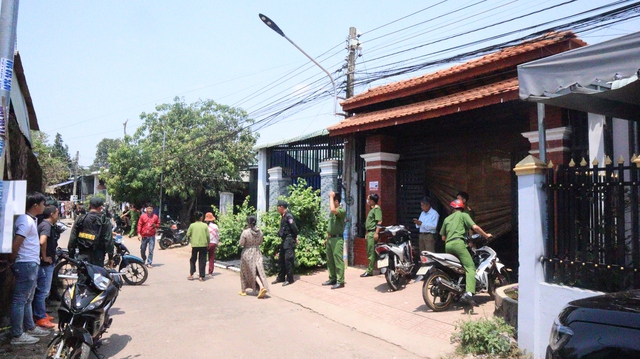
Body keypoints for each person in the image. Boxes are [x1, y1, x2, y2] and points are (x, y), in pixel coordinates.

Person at [9, 192, 51, 345]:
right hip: (25, 263)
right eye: (42, 204)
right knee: (20, 299)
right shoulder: (25, 221)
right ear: (35, 205)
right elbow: (18, 241)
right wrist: (12, 259)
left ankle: (29, 327)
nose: (44, 207)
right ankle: (17, 335)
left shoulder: (30, 220)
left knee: (28, 299)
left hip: (30, 263)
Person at [440, 199, 492, 306]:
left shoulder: (446, 219)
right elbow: (475, 227)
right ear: (461, 208)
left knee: (456, 268)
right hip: (458, 244)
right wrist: (486, 235)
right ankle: (468, 292)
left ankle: (455, 291)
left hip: (448, 246)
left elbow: (443, 237)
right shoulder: (464, 215)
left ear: (453, 208)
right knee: (470, 267)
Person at [33, 205, 60, 329]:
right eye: (57, 213)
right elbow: (42, 241)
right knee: (43, 291)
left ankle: (41, 313)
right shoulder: (46, 226)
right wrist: (44, 257)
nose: (58, 215)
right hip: (45, 264)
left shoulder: (46, 225)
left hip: (46, 263)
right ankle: (40, 317)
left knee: (43, 291)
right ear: (52, 214)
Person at [68, 197, 114, 267]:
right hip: (98, 257)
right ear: (100, 208)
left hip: (82, 255)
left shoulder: (80, 219)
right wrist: (111, 258)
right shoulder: (105, 221)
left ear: (89, 206)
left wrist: (71, 257)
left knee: (83, 276)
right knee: (97, 277)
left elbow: (72, 239)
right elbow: (108, 240)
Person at [239, 215, 269, 298]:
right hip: (257, 251)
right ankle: (261, 287)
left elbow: (241, 243)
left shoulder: (245, 232)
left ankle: (244, 290)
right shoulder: (260, 232)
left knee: (246, 271)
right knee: (258, 270)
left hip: (247, 252)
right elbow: (260, 242)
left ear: (248, 223)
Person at [322, 191, 346, 289]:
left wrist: (331, 196)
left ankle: (340, 281)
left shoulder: (341, 210)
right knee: (330, 260)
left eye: (332, 200)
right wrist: (327, 237)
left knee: (338, 260)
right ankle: (332, 278)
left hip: (337, 239)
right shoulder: (332, 213)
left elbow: (332, 209)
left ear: (336, 201)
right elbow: (330, 225)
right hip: (331, 238)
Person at [271, 200, 298, 286]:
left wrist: (295, 237)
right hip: (284, 240)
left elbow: (294, 228)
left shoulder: (288, 216)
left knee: (288, 260)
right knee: (281, 259)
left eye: (278, 207)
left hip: (289, 240)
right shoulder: (283, 216)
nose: (277, 208)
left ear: (282, 207)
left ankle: (290, 279)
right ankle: (281, 277)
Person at [361, 193, 382, 277]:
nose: (367, 201)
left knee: (371, 252)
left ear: (372, 201)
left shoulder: (377, 209)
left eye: (368, 199)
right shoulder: (372, 209)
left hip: (373, 233)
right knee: (372, 252)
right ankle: (378, 268)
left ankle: (369, 270)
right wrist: (367, 233)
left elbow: (379, 221)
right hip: (370, 232)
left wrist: (376, 233)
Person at [187, 211, 209, 282]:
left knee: (193, 259)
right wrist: (208, 243)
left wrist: (192, 237)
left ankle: (191, 274)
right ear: (201, 217)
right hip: (203, 245)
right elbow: (208, 236)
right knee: (202, 260)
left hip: (195, 245)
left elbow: (188, 234)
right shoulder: (205, 225)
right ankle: (201, 276)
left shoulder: (192, 225)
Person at [137, 204, 159, 268]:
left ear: (153, 209)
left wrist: (156, 225)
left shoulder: (155, 217)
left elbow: (158, 223)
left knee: (151, 250)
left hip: (151, 236)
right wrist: (139, 233)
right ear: (146, 209)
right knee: (143, 249)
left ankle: (149, 262)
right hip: (144, 236)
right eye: (148, 209)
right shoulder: (142, 216)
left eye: (151, 209)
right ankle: (143, 259)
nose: (149, 210)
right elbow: (139, 225)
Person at [205, 212, 219, 277]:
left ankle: (202, 271)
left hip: (205, 243)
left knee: (203, 258)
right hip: (213, 243)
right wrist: (217, 242)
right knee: (211, 257)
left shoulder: (205, 226)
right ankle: (210, 272)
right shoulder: (215, 226)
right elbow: (217, 235)